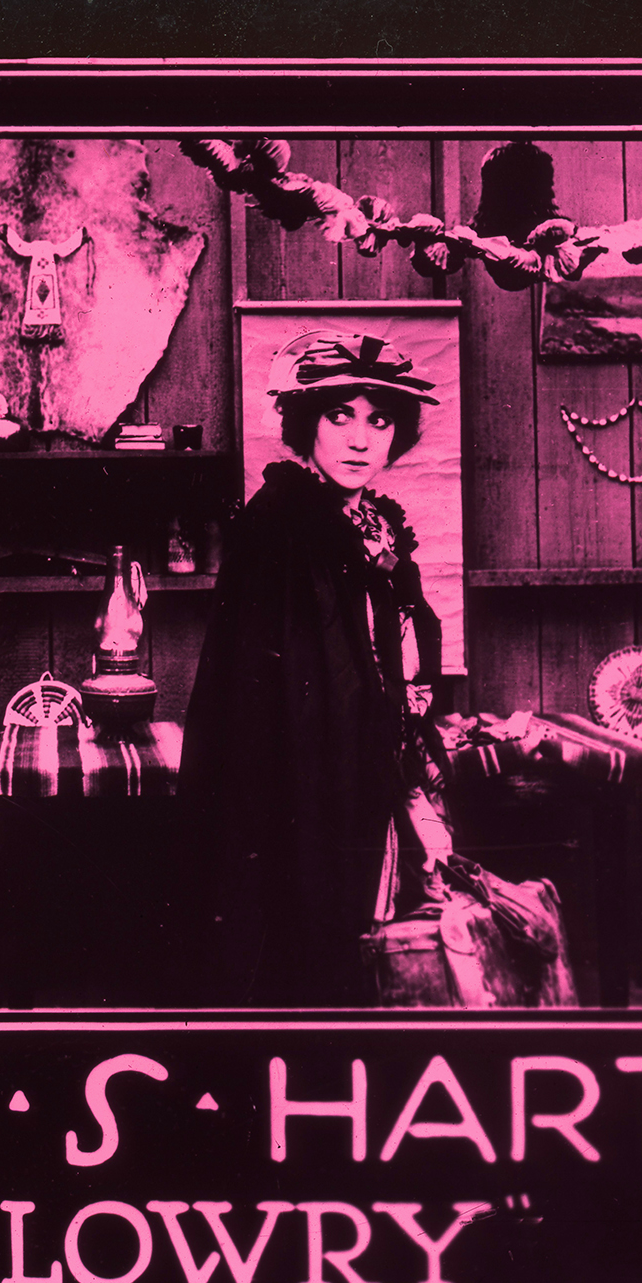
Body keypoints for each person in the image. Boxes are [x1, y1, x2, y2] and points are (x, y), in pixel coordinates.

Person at [179, 332, 445, 1006]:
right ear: (307, 426)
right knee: (297, 950)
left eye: (378, 421)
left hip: (367, 768)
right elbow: (260, 687)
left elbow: (400, 649)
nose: (359, 440)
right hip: (297, 781)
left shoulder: (377, 524)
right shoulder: (279, 524)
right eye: (339, 417)